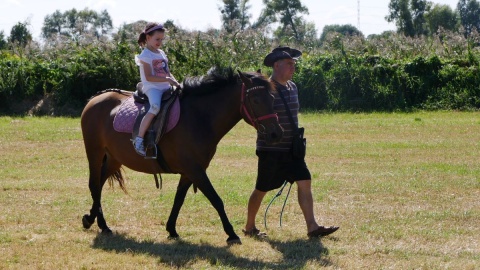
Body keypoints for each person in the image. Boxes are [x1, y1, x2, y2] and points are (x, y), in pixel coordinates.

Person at [243, 46, 339, 238]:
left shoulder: (293, 87)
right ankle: (249, 227)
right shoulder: (267, 88)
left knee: (305, 181)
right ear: (276, 65)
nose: (293, 67)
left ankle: (312, 227)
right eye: (289, 64)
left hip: (292, 148)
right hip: (271, 149)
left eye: (293, 64)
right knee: (262, 188)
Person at [133, 22, 181, 156]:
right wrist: (167, 80)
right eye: (157, 39)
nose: (160, 42)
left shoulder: (161, 53)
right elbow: (148, 77)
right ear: (148, 37)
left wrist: (175, 82)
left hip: (166, 86)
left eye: (161, 39)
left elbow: (167, 72)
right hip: (153, 87)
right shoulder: (145, 55)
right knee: (155, 107)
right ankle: (139, 139)